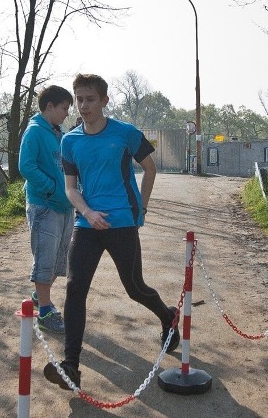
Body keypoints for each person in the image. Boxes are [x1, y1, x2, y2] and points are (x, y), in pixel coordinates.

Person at [44, 73, 178, 390]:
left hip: (122, 222)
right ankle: (71, 366)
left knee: (135, 288)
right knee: (75, 288)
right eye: (79, 99)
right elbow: (70, 189)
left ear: (104, 101)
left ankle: (168, 316)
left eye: (90, 99)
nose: (84, 105)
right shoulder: (70, 141)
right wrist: (88, 212)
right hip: (87, 224)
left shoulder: (125, 134)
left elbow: (150, 168)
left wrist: (140, 209)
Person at [18, 85, 74, 334]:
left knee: (58, 260)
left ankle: (40, 297)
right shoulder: (34, 132)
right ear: (49, 106)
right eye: (64, 108)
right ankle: (46, 311)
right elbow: (26, 167)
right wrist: (51, 188)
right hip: (44, 205)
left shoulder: (57, 133)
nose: (66, 114)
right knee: (45, 259)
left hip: (64, 206)